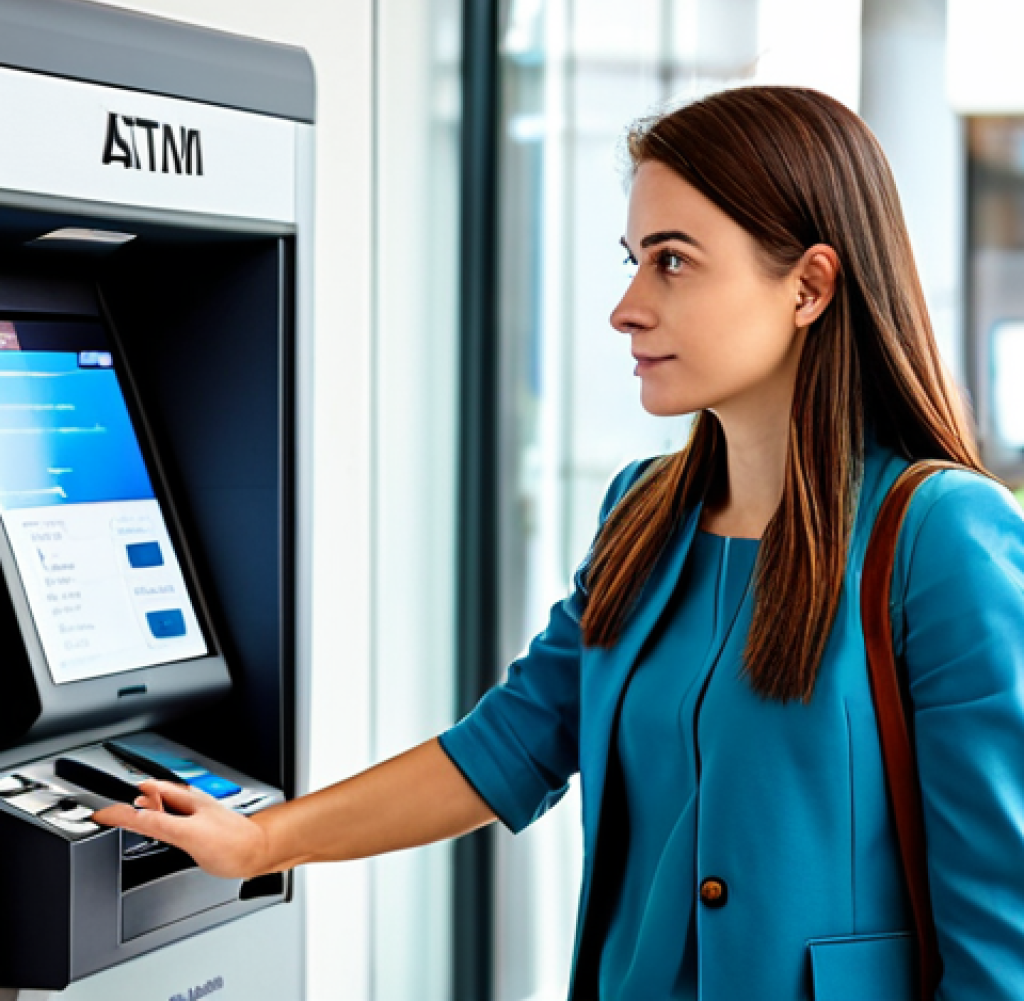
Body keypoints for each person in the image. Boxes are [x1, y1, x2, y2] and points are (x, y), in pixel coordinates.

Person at [95, 86, 1024, 1000]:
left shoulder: (938, 536)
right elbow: (506, 748)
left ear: (809, 286)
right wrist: (264, 841)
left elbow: (999, 934)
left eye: (671, 262)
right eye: (632, 259)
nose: (625, 306)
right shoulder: (644, 514)